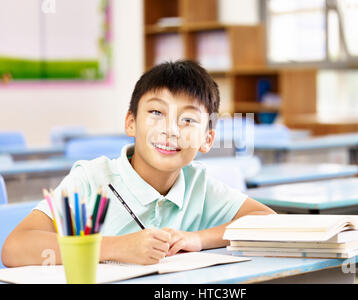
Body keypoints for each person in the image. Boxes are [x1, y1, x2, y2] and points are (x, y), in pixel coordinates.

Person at [1, 60, 275, 267]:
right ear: (130, 122)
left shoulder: (198, 184)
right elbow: (15, 248)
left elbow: (268, 222)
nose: (171, 130)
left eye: (188, 119)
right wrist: (116, 247)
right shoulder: (91, 179)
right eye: (156, 112)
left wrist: (199, 239)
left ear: (207, 138)